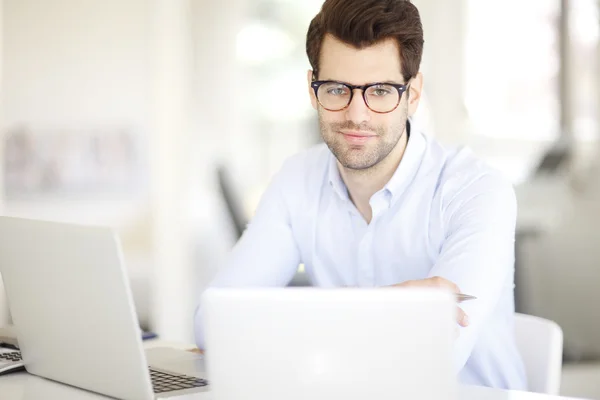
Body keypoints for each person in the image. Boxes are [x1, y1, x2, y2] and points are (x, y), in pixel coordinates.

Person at [195, 0, 527, 390]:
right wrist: (394, 306)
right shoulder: (297, 181)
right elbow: (210, 324)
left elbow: (436, 353)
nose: (357, 115)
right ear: (312, 88)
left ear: (413, 93)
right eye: (337, 89)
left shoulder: (476, 190)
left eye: (381, 91)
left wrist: (292, 320)